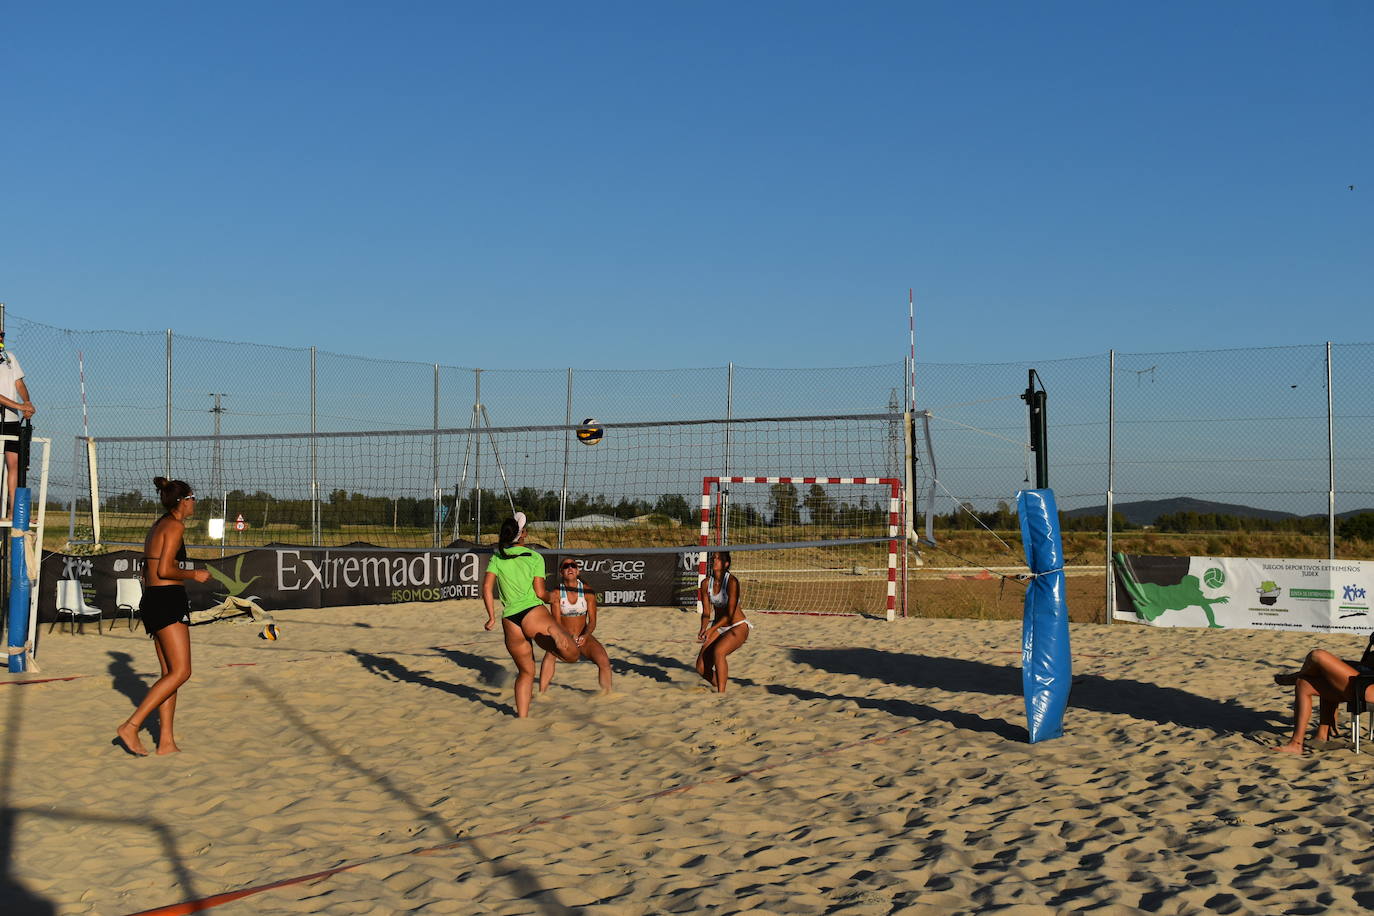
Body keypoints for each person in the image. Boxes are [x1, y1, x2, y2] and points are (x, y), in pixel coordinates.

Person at [115, 477, 212, 756]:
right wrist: (194, 574)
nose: (195, 503)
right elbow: (165, 570)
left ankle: (166, 742)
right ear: (183, 501)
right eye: (193, 498)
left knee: (170, 674)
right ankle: (131, 726)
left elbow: (151, 571)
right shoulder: (175, 526)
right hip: (168, 601)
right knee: (182, 671)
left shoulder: (158, 525)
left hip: (154, 600)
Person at [482, 512, 580, 717]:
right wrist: (551, 596)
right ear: (523, 534)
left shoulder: (498, 557)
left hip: (510, 620)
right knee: (572, 655)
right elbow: (540, 593)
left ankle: (522, 718)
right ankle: (552, 637)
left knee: (526, 673)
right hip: (532, 613)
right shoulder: (535, 557)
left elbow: (486, 588)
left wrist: (491, 616)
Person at [1272, 647, 1374, 755]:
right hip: (1365, 678)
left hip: (1368, 687)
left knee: (1317, 655)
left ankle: (1294, 677)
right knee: (1304, 684)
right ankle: (1298, 743)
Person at [538, 558, 613, 695]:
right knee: (550, 654)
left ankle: (606, 695)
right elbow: (556, 623)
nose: (570, 568)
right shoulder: (556, 593)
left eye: (573, 565)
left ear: (578, 571)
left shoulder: (587, 591)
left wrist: (585, 635)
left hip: (583, 636)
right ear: (561, 572)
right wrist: (567, 636)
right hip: (565, 635)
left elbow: (592, 622)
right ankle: (542, 693)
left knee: (603, 660)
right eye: (566, 566)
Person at [696, 551, 751, 693]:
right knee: (701, 667)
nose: (714, 561)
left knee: (719, 651)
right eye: (713, 558)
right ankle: (719, 682)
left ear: (726, 564)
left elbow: (730, 614)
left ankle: (721, 694)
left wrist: (712, 629)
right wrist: (703, 628)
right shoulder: (706, 583)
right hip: (719, 626)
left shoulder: (732, 582)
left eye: (718, 559)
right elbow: (707, 612)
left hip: (737, 626)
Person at [0, 341, 35, 517]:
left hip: (11, 420)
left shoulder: (9, 357)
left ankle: (14, 510)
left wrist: (27, 403)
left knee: (14, 464)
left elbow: (19, 384)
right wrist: (20, 406)